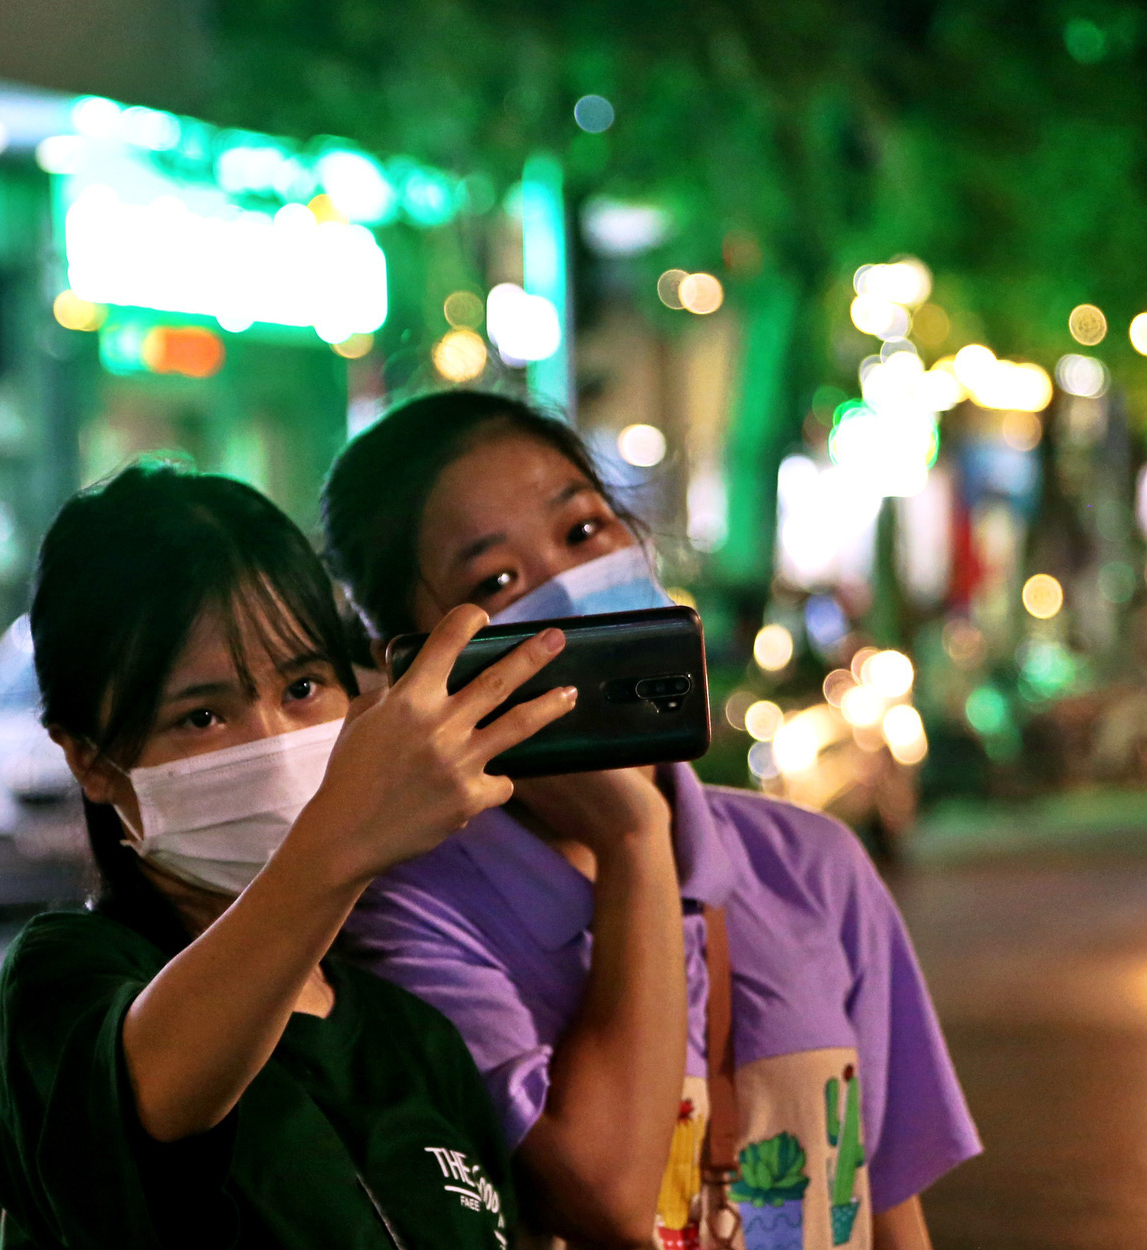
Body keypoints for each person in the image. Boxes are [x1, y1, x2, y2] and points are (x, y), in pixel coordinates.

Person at [321, 391, 980, 1250]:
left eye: (586, 532)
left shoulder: (811, 863)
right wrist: (632, 840)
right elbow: (600, 1200)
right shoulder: (412, 918)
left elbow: (888, 1210)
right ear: (413, 660)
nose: (562, 586)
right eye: (495, 582)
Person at [0, 465, 578, 1248]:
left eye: (302, 688)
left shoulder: (412, 1039)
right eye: (201, 717)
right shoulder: (66, 985)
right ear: (90, 760)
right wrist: (345, 836)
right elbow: (155, 1099)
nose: (274, 743)